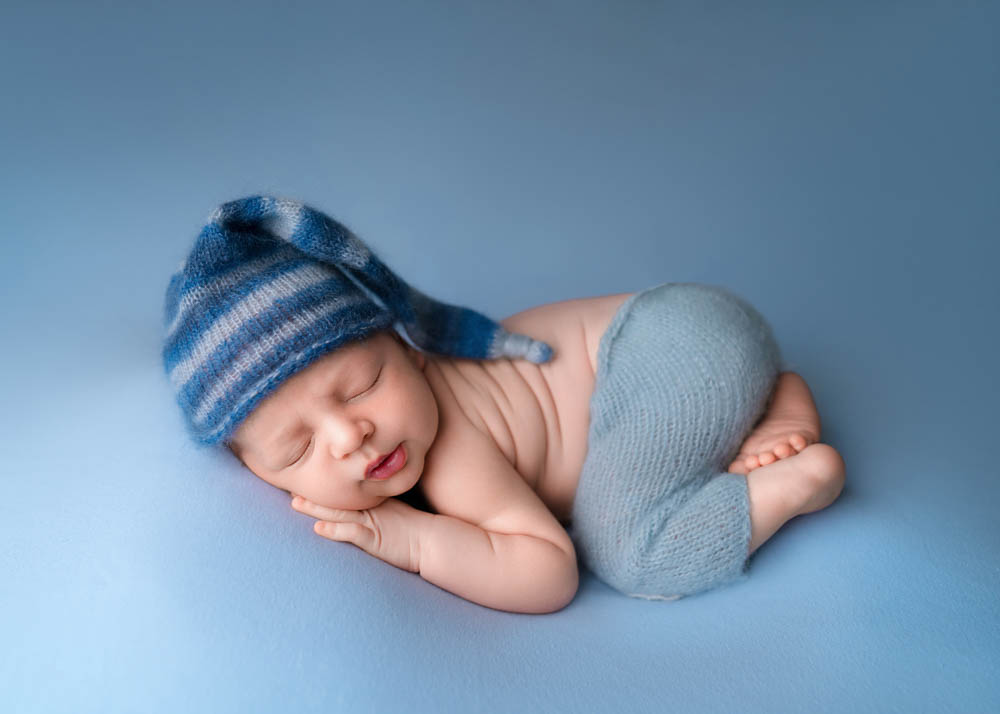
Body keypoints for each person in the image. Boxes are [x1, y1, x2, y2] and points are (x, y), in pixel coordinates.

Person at [163, 195, 845, 614]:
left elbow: (548, 574)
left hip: (674, 347)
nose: (351, 435)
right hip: (695, 326)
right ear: (258, 474)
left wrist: (415, 540)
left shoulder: (452, 451)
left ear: (413, 352)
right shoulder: (393, 428)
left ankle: (800, 482)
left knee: (631, 554)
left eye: (362, 385)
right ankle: (775, 398)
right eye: (297, 448)